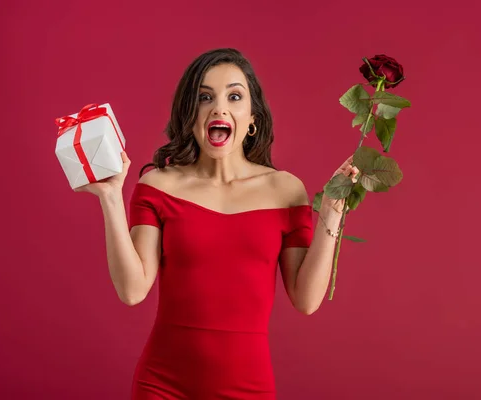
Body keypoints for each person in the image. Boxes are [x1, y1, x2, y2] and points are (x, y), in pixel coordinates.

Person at [75, 48, 359, 399]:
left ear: (252, 117)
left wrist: (331, 213)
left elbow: (306, 299)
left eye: (234, 96)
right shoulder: (158, 186)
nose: (219, 108)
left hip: (247, 388)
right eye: (205, 97)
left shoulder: (286, 190)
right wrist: (111, 197)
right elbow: (132, 291)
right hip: (162, 385)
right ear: (190, 115)